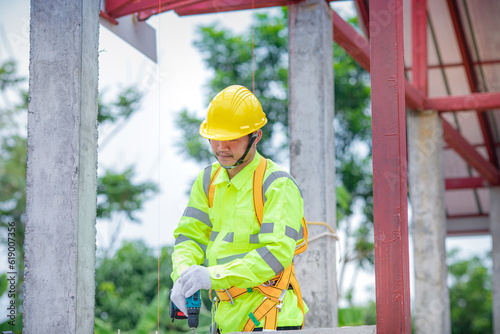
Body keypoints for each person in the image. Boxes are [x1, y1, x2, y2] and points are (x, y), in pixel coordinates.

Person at [170, 85, 308, 333]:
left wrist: (213, 276)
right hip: (224, 319)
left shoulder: (277, 185)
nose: (221, 147)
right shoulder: (207, 180)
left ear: (256, 136)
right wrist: (183, 276)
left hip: (269, 319)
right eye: (215, 138)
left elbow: (276, 254)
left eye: (232, 138)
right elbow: (190, 237)